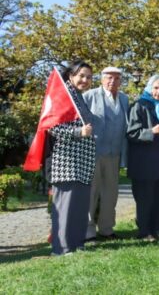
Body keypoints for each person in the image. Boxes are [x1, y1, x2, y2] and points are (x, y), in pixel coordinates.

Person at [47, 61, 96, 255]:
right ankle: (61, 248)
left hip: (82, 163)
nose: (85, 80)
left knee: (79, 207)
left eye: (89, 77)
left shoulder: (79, 97)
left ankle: (76, 244)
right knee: (66, 208)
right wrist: (78, 132)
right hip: (67, 162)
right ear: (70, 76)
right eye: (81, 75)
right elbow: (51, 126)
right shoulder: (63, 95)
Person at [83, 66, 129, 241]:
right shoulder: (90, 96)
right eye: (109, 77)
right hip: (93, 152)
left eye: (116, 78)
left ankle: (107, 229)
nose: (112, 81)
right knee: (92, 193)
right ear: (101, 79)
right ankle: (88, 232)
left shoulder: (124, 98)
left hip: (114, 153)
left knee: (111, 192)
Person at [126, 75, 159, 241]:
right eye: (156, 88)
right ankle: (144, 231)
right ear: (149, 88)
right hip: (143, 162)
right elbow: (131, 133)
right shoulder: (138, 105)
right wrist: (151, 132)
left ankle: (156, 228)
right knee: (145, 198)